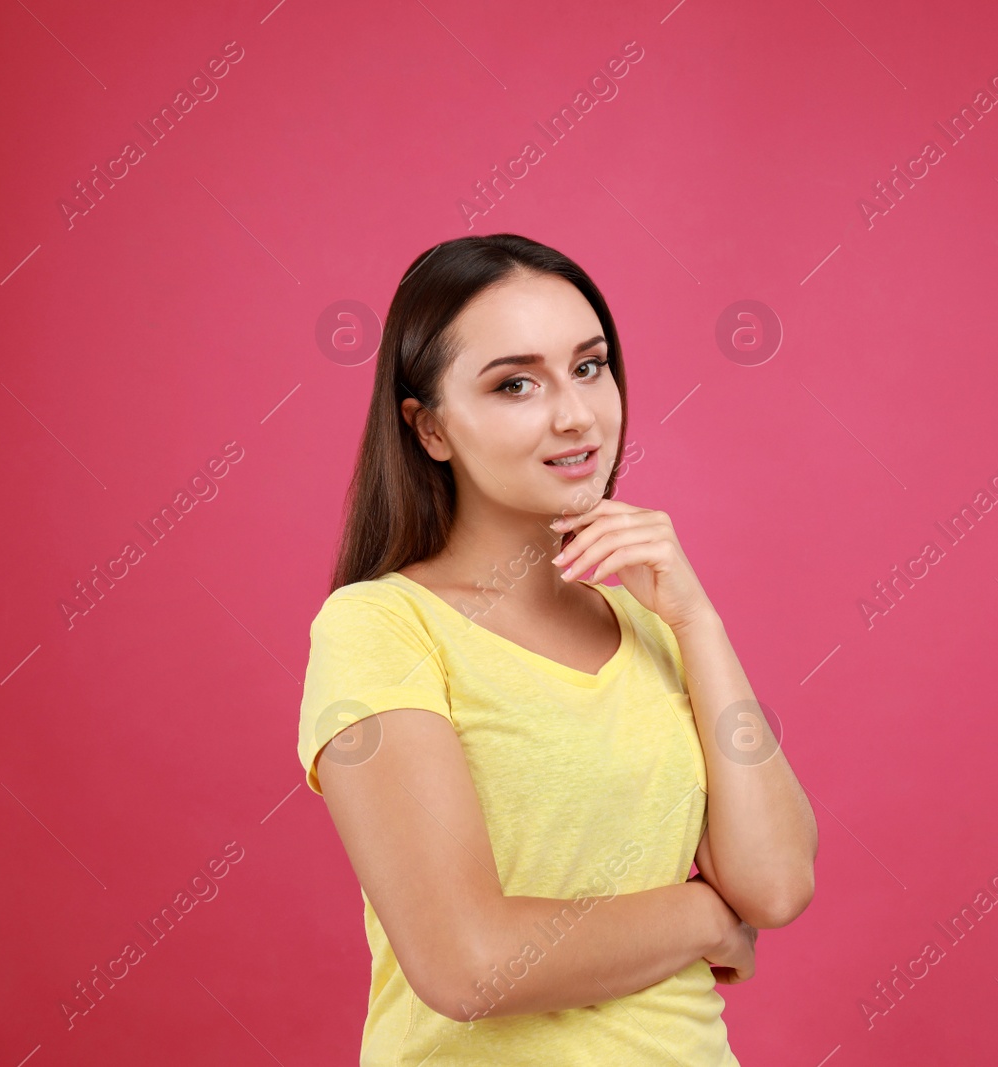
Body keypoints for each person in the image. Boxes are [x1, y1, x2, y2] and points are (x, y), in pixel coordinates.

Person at [296, 233, 818, 1065]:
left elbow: (779, 880)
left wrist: (698, 621)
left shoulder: (649, 622)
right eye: (515, 383)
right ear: (429, 428)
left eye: (589, 365)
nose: (576, 414)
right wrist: (705, 919)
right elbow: (470, 963)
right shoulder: (381, 626)